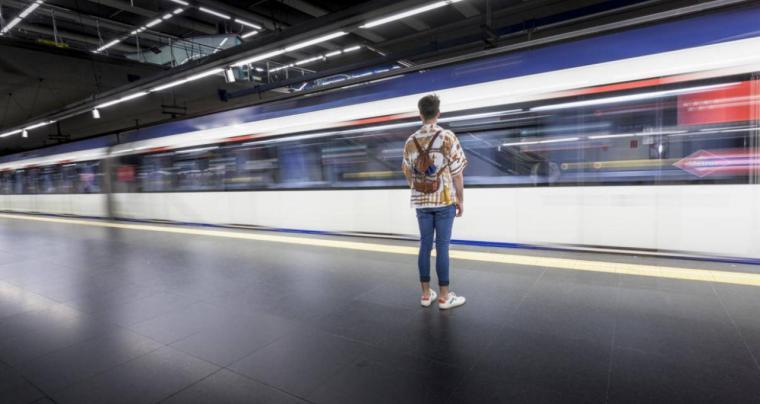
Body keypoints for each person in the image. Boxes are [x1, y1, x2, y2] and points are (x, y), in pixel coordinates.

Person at [402, 94, 468, 310]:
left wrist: (419, 187)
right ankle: (443, 297)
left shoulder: (410, 141)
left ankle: (424, 294)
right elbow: (457, 173)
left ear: (420, 115)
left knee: (424, 245)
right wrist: (460, 199)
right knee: (442, 247)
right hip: (444, 200)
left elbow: (407, 173)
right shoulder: (447, 136)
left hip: (421, 202)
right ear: (438, 113)